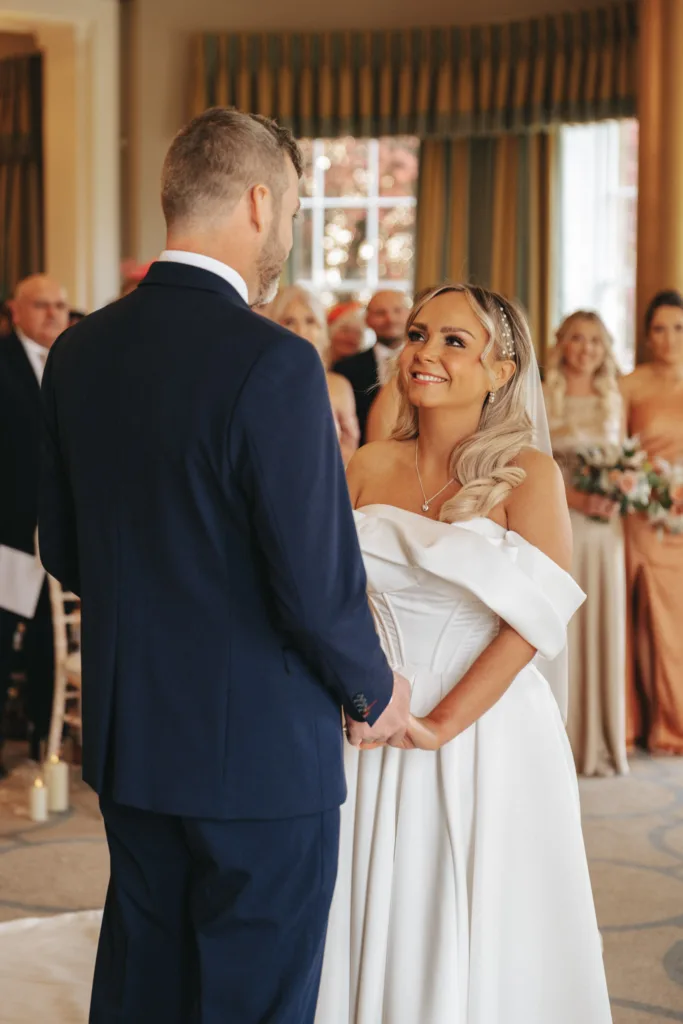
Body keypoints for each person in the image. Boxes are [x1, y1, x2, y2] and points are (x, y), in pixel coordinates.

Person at [39, 107, 410, 1024]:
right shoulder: (274, 363)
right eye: (287, 209)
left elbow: (66, 545)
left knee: (144, 983)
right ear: (256, 200)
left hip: (133, 741)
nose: (286, 231)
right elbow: (314, 579)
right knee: (255, 994)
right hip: (259, 757)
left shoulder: (80, 350)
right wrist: (373, 687)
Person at [315, 284, 612, 1024]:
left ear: (501, 368)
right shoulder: (366, 465)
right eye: (418, 335)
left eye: (454, 340)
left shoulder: (527, 475)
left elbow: (535, 621)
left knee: (466, 906)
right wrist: (362, 695)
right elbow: (329, 596)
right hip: (369, 718)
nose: (424, 353)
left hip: (483, 730)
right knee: (361, 898)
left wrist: (441, 724)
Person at [544, 311, 628, 776]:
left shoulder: (616, 396)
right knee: (567, 626)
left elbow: (632, 461)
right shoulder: (542, 393)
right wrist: (576, 497)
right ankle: (565, 735)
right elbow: (533, 461)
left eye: (595, 340)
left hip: (606, 532)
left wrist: (625, 489)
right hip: (562, 522)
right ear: (562, 344)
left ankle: (602, 738)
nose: (586, 348)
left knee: (604, 623)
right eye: (577, 338)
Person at [0, 275, 69, 774]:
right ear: (15, 311)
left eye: (60, 306)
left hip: (58, 527)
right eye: (41, 305)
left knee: (51, 638)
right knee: (3, 635)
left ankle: (43, 737)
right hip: (7, 528)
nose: (52, 314)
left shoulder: (73, 361)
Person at [621, 289, 683, 754]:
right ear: (646, 336)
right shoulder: (630, 385)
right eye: (659, 329)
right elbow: (617, 454)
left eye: (678, 328)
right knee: (654, 621)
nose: (668, 338)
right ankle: (659, 721)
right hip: (646, 514)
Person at [269, 286, 360, 465]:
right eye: (289, 321)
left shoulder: (338, 385)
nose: (301, 330)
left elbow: (349, 449)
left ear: (322, 329)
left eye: (310, 321)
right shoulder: (261, 384)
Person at [333, 289, 410, 442]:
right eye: (380, 313)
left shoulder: (427, 362)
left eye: (397, 311)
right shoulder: (345, 369)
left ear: (410, 314)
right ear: (367, 320)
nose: (390, 319)